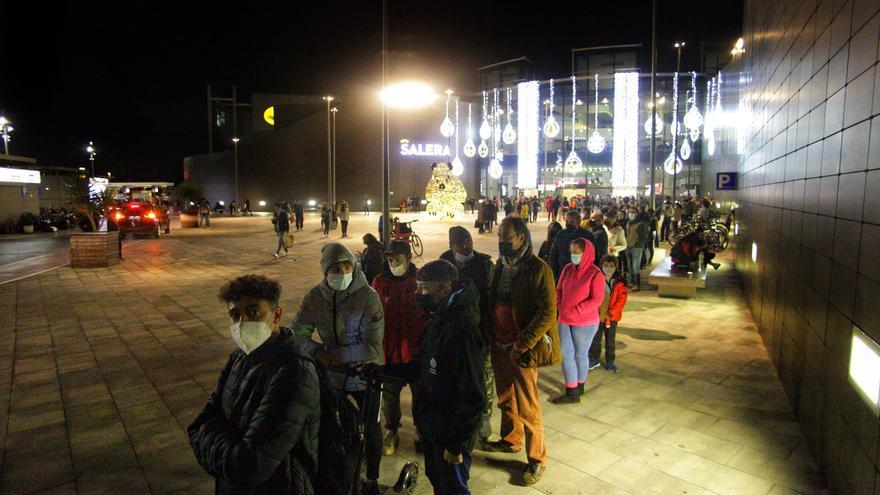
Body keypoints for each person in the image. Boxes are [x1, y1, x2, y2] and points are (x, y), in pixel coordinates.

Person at [188, 275, 320, 494]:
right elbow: (197, 425)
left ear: (276, 315)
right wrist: (228, 451)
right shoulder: (239, 358)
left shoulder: (294, 372)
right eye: (235, 314)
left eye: (253, 312)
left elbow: (250, 467)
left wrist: (210, 441)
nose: (243, 323)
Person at [291, 244, 385, 494]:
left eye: (347, 267)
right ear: (325, 271)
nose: (342, 272)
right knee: (330, 427)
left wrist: (331, 356)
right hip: (331, 378)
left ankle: (372, 477)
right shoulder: (314, 298)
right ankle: (335, 474)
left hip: (367, 376)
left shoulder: (368, 297)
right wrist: (316, 352)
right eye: (336, 268)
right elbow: (298, 333)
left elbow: (371, 347)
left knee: (370, 427)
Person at [481, 216, 559, 486]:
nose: (502, 242)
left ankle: (537, 459)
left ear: (522, 238)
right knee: (505, 398)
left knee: (528, 405)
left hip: (521, 349)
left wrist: (523, 342)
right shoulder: (500, 266)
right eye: (500, 237)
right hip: (499, 344)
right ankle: (510, 440)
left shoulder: (539, 269)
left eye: (507, 237)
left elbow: (548, 312)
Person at [414, 260, 487, 495]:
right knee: (439, 481)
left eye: (424, 287)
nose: (418, 293)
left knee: (452, 488)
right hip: (435, 425)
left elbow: (474, 395)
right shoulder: (441, 315)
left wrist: (456, 443)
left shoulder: (461, 329)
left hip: (450, 431)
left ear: (445, 289)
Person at [440, 226, 495, 446]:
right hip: (453, 333)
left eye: (469, 241)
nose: (466, 246)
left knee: (484, 376)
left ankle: (484, 417)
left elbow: (491, 299)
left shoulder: (483, 264)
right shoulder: (443, 264)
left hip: (479, 331)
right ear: (451, 245)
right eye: (461, 243)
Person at [371, 241, 426, 456]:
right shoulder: (379, 281)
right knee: (390, 398)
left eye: (397, 259)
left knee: (420, 397)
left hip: (415, 352)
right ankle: (391, 431)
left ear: (409, 257)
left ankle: (421, 431)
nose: (393, 263)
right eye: (390, 259)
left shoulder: (419, 279)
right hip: (390, 353)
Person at [550, 238, 604, 404]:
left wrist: (578, 310)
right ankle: (571, 391)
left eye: (576, 252)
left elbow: (597, 300)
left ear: (586, 253)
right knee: (566, 354)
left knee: (580, 354)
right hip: (565, 319)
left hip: (585, 323)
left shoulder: (595, 274)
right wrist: (560, 304)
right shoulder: (567, 269)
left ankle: (580, 384)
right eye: (571, 252)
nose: (573, 255)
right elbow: (558, 289)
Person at [590, 255, 628, 372]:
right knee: (596, 338)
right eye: (606, 266)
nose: (608, 268)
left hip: (612, 318)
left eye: (611, 266)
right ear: (601, 266)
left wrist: (610, 314)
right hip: (598, 315)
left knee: (610, 339)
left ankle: (610, 360)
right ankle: (593, 358)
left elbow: (621, 300)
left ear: (616, 267)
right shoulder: (596, 279)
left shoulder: (620, 283)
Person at [548, 210, 596, 281]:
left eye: (572, 222)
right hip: (562, 274)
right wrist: (555, 274)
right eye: (567, 222)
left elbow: (594, 258)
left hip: (582, 276)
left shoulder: (588, 236)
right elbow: (553, 256)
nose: (568, 224)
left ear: (578, 221)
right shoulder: (561, 234)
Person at [624, 207, 649, 291]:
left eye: (633, 212)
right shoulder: (628, 223)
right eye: (630, 212)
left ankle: (637, 284)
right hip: (628, 247)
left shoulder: (640, 224)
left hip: (636, 248)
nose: (631, 214)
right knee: (630, 265)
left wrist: (637, 245)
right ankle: (631, 282)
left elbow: (643, 237)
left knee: (636, 266)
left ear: (636, 213)